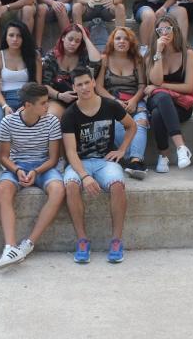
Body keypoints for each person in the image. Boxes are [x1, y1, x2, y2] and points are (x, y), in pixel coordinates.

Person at [61, 67, 136, 264]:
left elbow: (131, 126)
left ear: (94, 82)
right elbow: (70, 151)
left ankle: (116, 241)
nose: (84, 87)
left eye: (87, 82)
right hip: (80, 162)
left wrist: (122, 150)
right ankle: (82, 240)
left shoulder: (110, 105)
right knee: (71, 185)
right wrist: (84, 176)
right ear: (73, 88)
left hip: (105, 161)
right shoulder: (69, 114)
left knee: (117, 185)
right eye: (79, 84)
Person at [0, 82, 65, 269]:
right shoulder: (8, 122)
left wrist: (36, 171)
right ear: (27, 105)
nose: (47, 106)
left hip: (43, 167)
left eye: (47, 101)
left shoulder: (52, 121)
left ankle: (28, 244)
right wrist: (17, 170)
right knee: (3, 189)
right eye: (43, 103)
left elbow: (53, 158)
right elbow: (3, 157)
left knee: (58, 190)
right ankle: (10, 247)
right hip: (16, 166)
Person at [96, 26, 148, 179]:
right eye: (118, 38)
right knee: (117, 124)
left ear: (131, 42)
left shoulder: (137, 60)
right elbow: (98, 87)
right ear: (112, 41)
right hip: (112, 102)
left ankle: (136, 161)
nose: (122, 41)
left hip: (134, 100)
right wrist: (115, 101)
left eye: (126, 39)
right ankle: (131, 158)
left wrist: (134, 100)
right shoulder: (105, 59)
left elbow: (142, 85)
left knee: (141, 121)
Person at [146, 14, 193, 172]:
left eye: (167, 28)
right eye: (160, 30)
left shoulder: (188, 54)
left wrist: (162, 87)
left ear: (175, 30)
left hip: (181, 105)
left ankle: (164, 155)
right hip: (157, 99)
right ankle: (181, 147)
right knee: (162, 97)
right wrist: (158, 52)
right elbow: (156, 80)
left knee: (157, 114)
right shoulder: (151, 54)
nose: (164, 33)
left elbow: (189, 87)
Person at [0, 21, 38, 144]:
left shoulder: (34, 55)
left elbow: (37, 85)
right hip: (4, 99)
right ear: (5, 37)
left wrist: (27, 105)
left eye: (19, 36)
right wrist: (5, 106)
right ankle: (7, 154)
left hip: (28, 98)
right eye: (11, 35)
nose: (15, 39)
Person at [40, 24, 101, 121]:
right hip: (58, 98)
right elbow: (45, 84)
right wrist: (60, 96)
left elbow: (97, 61)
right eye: (70, 39)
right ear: (63, 38)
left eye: (77, 41)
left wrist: (85, 38)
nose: (73, 43)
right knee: (53, 117)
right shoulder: (52, 57)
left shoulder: (84, 56)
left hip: (83, 99)